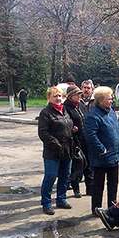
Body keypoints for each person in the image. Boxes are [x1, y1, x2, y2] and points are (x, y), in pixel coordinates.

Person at [85, 86, 119, 215]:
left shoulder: (111, 111)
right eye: (109, 98)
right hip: (101, 157)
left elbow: (118, 128)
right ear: (101, 100)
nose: (112, 100)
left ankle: (112, 208)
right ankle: (96, 209)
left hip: (114, 154)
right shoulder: (93, 115)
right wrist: (101, 149)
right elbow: (90, 135)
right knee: (98, 185)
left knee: (113, 183)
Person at [38, 86, 74, 215]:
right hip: (52, 152)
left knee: (65, 176)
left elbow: (67, 124)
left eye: (60, 96)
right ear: (49, 98)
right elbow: (43, 133)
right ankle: (46, 203)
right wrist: (56, 144)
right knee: (51, 176)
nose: (58, 98)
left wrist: (72, 129)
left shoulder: (64, 110)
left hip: (67, 150)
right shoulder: (45, 113)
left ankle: (61, 199)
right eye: (55, 96)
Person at [64, 85, 92, 198]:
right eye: (77, 94)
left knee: (89, 165)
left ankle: (90, 188)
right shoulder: (65, 107)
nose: (79, 96)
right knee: (78, 165)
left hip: (85, 138)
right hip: (74, 141)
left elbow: (86, 118)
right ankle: (76, 188)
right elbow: (65, 122)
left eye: (80, 94)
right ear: (70, 96)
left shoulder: (80, 105)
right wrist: (71, 128)